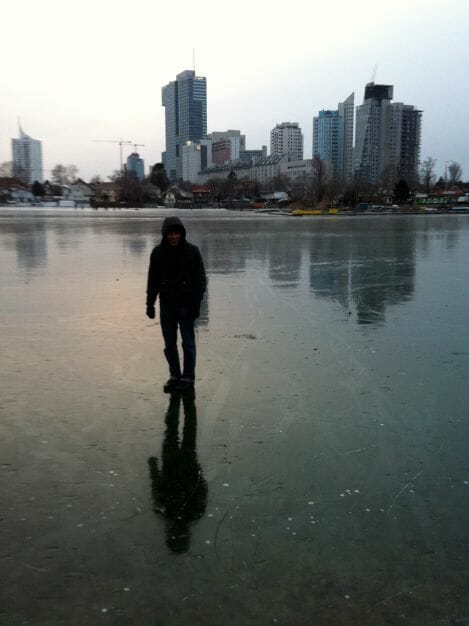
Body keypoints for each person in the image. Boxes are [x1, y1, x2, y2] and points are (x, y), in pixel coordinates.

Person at [146, 216, 206, 393]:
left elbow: (200, 281)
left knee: (188, 343)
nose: (174, 237)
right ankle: (174, 376)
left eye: (176, 233)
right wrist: (150, 304)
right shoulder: (157, 253)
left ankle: (188, 378)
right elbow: (153, 281)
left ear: (181, 234)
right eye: (170, 234)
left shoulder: (192, 252)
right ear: (165, 235)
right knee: (169, 344)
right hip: (167, 306)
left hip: (186, 305)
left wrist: (196, 305)